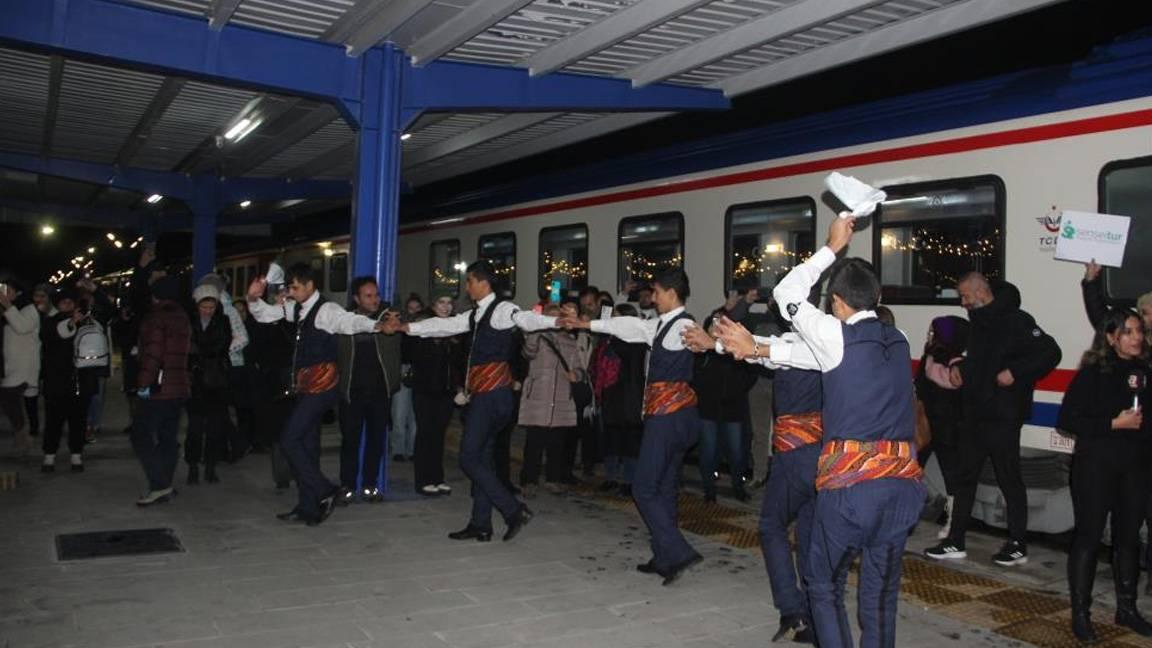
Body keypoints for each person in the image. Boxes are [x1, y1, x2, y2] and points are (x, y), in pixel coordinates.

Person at [765, 215, 924, 647]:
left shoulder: (835, 335)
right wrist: (759, 348)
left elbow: (786, 294)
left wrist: (831, 247)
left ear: (837, 302)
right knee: (880, 594)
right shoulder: (901, 339)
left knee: (820, 580)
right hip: (903, 487)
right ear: (878, 297)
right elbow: (809, 358)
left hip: (853, 489)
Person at [382, 261, 555, 542]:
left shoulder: (501, 309)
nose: (466, 287)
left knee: (469, 457)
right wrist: (405, 327)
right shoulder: (476, 314)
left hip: (493, 396)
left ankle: (513, 510)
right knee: (482, 459)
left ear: (482, 283)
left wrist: (556, 321)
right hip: (487, 395)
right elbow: (443, 326)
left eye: (469, 282)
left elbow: (525, 319)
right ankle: (481, 523)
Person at [685, 301, 823, 643]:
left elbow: (762, 352)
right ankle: (816, 615)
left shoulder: (794, 345)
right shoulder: (830, 342)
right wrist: (717, 344)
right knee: (808, 535)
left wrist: (715, 343)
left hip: (794, 457)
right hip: (826, 457)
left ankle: (792, 610)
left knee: (772, 526)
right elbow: (760, 352)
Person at [560, 268, 703, 585]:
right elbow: (629, 326)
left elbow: (697, 342)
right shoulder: (661, 325)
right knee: (664, 488)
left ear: (669, 293)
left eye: (655, 292)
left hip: (668, 417)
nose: (652, 297)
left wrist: (709, 342)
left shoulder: (682, 325)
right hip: (676, 417)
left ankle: (678, 550)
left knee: (643, 487)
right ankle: (664, 555)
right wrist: (586, 323)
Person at [925, 272, 1061, 566]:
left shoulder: (1017, 320)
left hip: (1003, 415)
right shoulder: (978, 322)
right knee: (966, 477)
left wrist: (1016, 372)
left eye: (965, 296)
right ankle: (955, 540)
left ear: (980, 292)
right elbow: (977, 358)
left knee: (1009, 477)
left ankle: (1017, 544)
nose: (962, 303)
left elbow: (1051, 352)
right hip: (975, 413)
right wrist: (960, 366)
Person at [246, 263, 389, 526]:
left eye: (295, 287)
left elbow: (348, 322)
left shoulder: (326, 309)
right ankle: (308, 507)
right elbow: (265, 315)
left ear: (310, 285)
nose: (290, 292)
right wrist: (253, 298)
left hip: (322, 388)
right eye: (289, 287)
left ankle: (325, 490)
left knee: (290, 439)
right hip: (306, 387)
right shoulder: (299, 308)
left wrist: (376, 325)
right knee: (307, 447)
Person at [1059, 309, 1152, 642]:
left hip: (1136, 468)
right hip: (1096, 466)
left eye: (1139, 331)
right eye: (1128, 332)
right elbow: (1068, 419)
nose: (1136, 337)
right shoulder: (1093, 373)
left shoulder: (1146, 370)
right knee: (1089, 537)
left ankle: (1126, 609)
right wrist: (1113, 423)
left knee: (1128, 539)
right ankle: (1080, 615)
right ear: (1111, 338)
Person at [336, 276, 402, 503]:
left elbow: (413, 318)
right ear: (356, 298)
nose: (375, 300)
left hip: (379, 392)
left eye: (377, 295)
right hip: (351, 392)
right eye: (368, 296)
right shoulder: (345, 321)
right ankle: (346, 485)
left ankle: (369, 485)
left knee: (376, 441)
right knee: (350, 441)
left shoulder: (390, 317)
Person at [132, 276, 192, 506]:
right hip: (178, 386)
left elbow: (153, 354)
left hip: (158, 387)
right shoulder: (182, 317)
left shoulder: (156, 318)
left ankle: (159, 484)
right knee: (168, 436)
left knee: (140, 434)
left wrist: (143, 382)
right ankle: (164, 483)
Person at [518, 302, 583, 494]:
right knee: (534, 442)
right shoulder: (536, 336)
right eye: (551, 316)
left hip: (562, 397)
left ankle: (553, 478)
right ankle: (529, 480)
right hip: (538, 395)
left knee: (557, 442)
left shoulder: (570, 341)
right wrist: (534, 331)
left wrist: (576, 375)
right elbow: (528, 353)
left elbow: (580, 368)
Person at [692, 311, 756, 503]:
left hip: (733, 408)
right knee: (708, 451)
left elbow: (750, 372)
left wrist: (738, 389)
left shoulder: (735, 348)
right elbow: (694, 374)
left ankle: (738, 486)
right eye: (714, 323)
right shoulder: (702, 351)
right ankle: (709, 490)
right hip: (707, 408)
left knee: (737, 452)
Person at [915, 316, 969, 540]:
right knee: (949, 478)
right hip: (941, 427)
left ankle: (949, 522)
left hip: (933, 427)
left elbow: (921, 386)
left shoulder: (939, 358)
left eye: (934, 332)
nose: (930, 336)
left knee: (916, 471)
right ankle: (951, 524)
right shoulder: (957, 361)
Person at [409, 295, 464, 496]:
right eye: (441, 302)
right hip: (424, 389)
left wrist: (460, 387)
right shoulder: (422, 325)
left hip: (446, 390)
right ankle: (423, 480)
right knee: (425, 433)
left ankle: (437, 478)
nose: (446, 306)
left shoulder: (456, 328)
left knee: (439, 434)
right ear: (433, 305)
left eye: (449, 303)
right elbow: (412, 353)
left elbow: (458, 363)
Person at [593, 304, 647, 497]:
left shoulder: (635, 341)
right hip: (611, 394)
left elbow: (633, 363)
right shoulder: (607, 340)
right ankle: (611, 477)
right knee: (611, 438)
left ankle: (629, 480)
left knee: (630, 440)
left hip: (630, 395)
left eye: (617, 318)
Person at [186, 285, 233, 485]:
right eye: (204, 307)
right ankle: (193, 466)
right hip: (195, 382)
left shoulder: (223, 321)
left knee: (215, 427)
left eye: (211, 307)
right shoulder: (190, 322)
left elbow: (221, 346)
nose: (207, 311)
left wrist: (199, 352)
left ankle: (211, 466)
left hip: (216, 380)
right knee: (195, 428)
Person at [40, 289, 89, 473]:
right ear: (57, 304)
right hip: (55, 381)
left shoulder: (85, 322)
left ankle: (76, 455)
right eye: (64, 302)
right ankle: (49, 456)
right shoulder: (49, 323)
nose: (68, 304)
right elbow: (51, 337)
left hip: (78, 380)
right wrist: (72, 322)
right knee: (53, 421)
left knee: (78, 421)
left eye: (71, 301)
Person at [0, 275, 40, 458]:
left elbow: (22, 327)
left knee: (9, 396)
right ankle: (22, 435)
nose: (5, 294)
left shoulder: (29, 309)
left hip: (24, 365)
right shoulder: (10, 310)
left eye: (9, 291)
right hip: (11, 365)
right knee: (11, 399)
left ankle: (22, 433)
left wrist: (8, 306)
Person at [391, 294, 424, 463]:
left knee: (415, 415)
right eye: (410, 309)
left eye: (417, 309)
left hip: (419, 371)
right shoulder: (400, 329)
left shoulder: (425, 327)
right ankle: (398, 449)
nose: (413, 312)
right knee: (399, 412)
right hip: (402, 369)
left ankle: (412, 450)